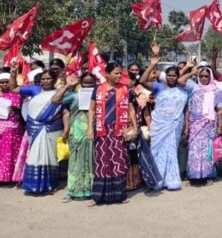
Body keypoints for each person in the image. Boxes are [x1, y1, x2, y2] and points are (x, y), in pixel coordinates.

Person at [140, 41, 196, 190]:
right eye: (169, 75)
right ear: (166, 77)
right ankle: (155, 180)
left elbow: (185, 110)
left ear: (177, 77)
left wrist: (186, 126)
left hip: (174, 126)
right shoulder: (158, 87)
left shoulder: (183, 92)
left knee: (171, 152)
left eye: (174, 76)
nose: (171, 78)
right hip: (159, 126)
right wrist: (153, 64)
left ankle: (170, 180)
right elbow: (142, 80)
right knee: (155, 151)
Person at [8, 65, 72, 194]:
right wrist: (13, 74)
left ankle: (49, 185)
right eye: (43, 79)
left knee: (51, 157)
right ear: (40, 80)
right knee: (34, 156)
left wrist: (66, 129)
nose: (46, 81)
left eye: (48, 78)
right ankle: (33, 185)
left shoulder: (60, 92)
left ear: (54, 80)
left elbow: (65, 113)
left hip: (52, 128)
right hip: (34, 128)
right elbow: (13, 88)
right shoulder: (34, 90)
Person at [87, 62, 139, 205]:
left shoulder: (125, 90)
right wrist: (89, 128)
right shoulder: (98, 89)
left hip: (119, 131)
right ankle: (98, 196)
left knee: (118, 162)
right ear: (107, 74)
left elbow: (131, 110)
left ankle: (119, 195)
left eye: (120, 73)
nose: (118, 76)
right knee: (102, 163)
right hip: (102, 131)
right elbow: (91, 110)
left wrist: (134, 127)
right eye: (116, 73)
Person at [185, 66, 222, 185]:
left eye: (206, 76)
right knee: (194, 150)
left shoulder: (217, 91)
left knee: (207, 150)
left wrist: (220, 126)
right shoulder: (194, 88)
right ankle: (193, 175)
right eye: (201, 76)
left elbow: (220, 110)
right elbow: (180, 81)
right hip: (195, 125)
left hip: (209, 125)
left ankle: (207, 175)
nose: (203, 78)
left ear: (210, 77)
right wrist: (190, 71)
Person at [61, 73, 96, 201]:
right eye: (85, 83)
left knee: (92, 161)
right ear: (80, 83)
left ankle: (91, 190)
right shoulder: (74, 96)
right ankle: (73, 190)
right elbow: (55, 100)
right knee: (75, 162)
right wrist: (67, 86)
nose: (88, 86)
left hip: (93, 132)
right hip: (76, 133)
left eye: (91, 83)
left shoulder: (99, 96)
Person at [0, 71, 23, 183]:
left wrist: (16, 109)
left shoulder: (16, 95)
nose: (4, 84)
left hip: (12, 128)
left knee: (10, 152)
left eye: (6, 82)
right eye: (2, 82)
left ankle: (10, 177)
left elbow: (21, 112)